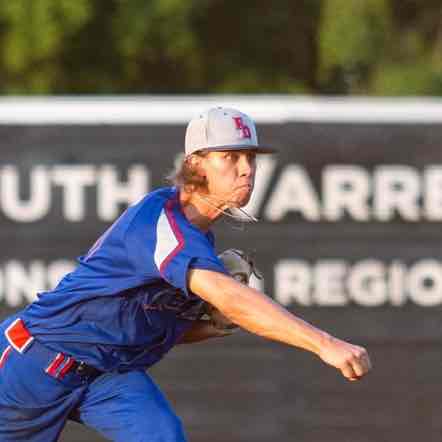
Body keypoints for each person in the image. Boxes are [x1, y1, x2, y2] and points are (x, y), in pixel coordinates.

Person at [0, 107, 372, 442]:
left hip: (109, 375)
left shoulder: (198, 242)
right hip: (33, 366)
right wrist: (324, 343)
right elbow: (229, 296)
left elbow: (144, 329)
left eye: (250, 157)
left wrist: (211, 326)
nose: (247, 168)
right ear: (196, 165)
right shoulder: (160, 222)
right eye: (229, 156)